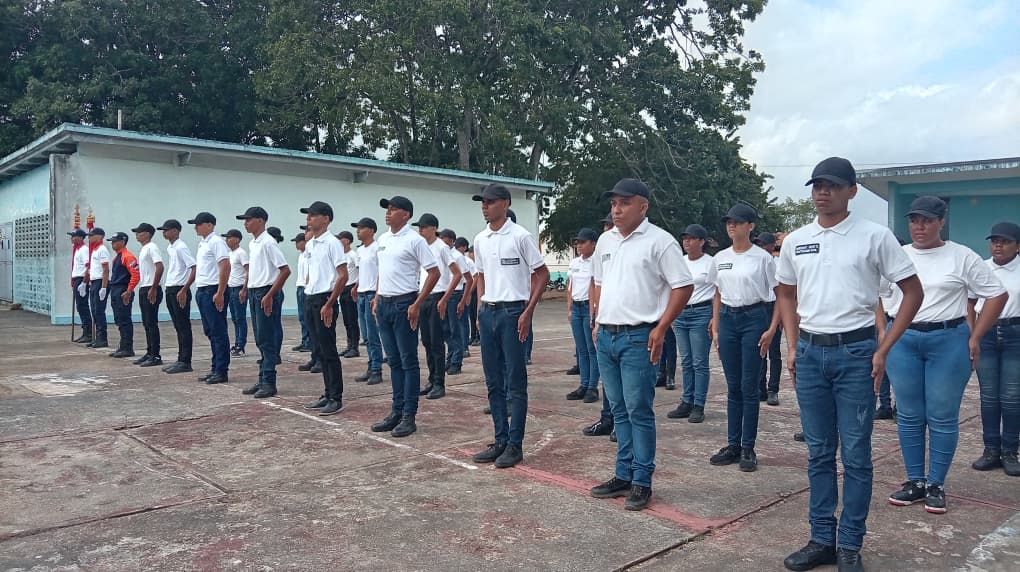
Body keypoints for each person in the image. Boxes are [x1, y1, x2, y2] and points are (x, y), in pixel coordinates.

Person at [777, 157, 923, 572]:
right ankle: (821, 538)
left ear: (851, 191)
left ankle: (850, 545)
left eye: (832, 186)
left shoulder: (874, 237)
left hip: (857, 354)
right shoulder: (796, 240)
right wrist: (791, 344)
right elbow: (785, 293)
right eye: (817, 185)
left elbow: (912, 293)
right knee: (819, 452)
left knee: (856, 454)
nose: (822, 192)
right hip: (809, 353)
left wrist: (884, 347)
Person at [883, 196, 1007, 515]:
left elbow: (996, 294)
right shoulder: (898, 256)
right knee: (909, 414)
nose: (919, 226)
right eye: (914, 220)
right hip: (904, 339)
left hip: (948, 339)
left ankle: (936, 483)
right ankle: (915, 481)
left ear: (941, 221)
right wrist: (882, 336)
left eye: (926, 220)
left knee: (941, 414)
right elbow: (878, 297)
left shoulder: (960, 256)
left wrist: (976, 335)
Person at [588, 178, 693, 511]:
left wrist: (662, 327)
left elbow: (683, 286)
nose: (616, 209)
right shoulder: (605, 241)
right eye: (614, 203)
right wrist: (597, 320)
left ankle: (642, 479)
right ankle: (623, 472)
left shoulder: (660, 242)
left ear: (643, 206)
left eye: (624, 203)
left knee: (639, 409)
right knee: (617, 409)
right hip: (606, 335)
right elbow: (600, 283)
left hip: (639, 337)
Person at [471, 184, 549, 468]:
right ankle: (500, 439)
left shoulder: (520, 236)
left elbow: (542, 273)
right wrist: (480, 305)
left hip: (513, 312)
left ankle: (515, 444)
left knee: (516, 382)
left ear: (505, 204)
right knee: (493, 382)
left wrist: (528, 311)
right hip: (489, 312)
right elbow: (480, 274)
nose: (485, 206)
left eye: (490, 202)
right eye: (482, 202)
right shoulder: (480, 239)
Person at [708, 202, 779, 473]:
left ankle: (748, 446)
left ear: (750, 226)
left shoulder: (763, 259)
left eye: (737, 222)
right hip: (727, 319)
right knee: (733, 385)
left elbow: (778, 294)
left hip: (754, 318)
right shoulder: (720, 257)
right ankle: (733, 444)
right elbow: (716, 292)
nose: (731, 225)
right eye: (729, 221)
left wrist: (771, 329)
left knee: (749, 386)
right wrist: (715, 324)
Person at [370, 196, 439, 437]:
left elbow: (434, 272)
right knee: (394, 361)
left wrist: (417, 303)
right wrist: (377, 297)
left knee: (408, 361)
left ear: (406, 215)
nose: (388, 213)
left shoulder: (415, 241)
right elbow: (382, 271)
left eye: (393, 209)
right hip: (385, 304)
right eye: (387, 209)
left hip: (404, 304)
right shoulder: (383, 239)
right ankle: (396, 411)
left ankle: (409, 415)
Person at [971, 221, 1020, 476]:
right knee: (989, 396)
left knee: (1011, 397)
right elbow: (969, 302)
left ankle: (1010, 451)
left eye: (1005, 241)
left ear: (1017, 246)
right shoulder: (982, 268)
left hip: (1015, 334)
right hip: (986, 333)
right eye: (994, 241)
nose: (998, 245)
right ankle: (991, 449)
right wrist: (973, 334)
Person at [299, 201, 349, 416]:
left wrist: (330, 302)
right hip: (311, 298)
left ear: (326, 218)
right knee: (318, 349)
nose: (308, 218)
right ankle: (327, 393)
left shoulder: (332, 243)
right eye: (308, 215)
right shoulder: (310, 244)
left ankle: (335, 397)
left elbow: (343, 275)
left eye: (313, 215)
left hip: (324, 299)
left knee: (329, 350)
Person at [236, 206, 291, 398]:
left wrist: (269, 295)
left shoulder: (268, 242)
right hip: (254, 291)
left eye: (249, 219)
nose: (245, 223)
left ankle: (269, 381)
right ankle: (262, 379)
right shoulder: (254, 243)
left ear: (260, 220)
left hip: (265, 292)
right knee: (260, 338)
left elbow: (285, 270)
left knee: (267, 339)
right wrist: (247, 288)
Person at [667, 224, 717, 423]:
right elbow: (672, 287)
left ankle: (699, 404)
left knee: (699, 362)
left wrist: (715, 317)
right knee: (686, 360)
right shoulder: (680, 262)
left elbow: (718, 291)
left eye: (691, 238)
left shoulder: (710, 263)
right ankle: (686, 401)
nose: (686, 242)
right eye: (684, 238)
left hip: (701, 313)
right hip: (681, 314)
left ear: (702, 241)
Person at [415, 214, 462, 400]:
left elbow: (457, 274)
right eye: (419, 227)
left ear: (433, 228)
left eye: (424, 227)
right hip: (424, 297)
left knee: (436, 342)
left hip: (437, 297)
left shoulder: (441, 247)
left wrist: (445, 299)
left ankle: (439, 383)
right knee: (426, 341)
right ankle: (431, 379)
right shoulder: (422, 247)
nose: (420, 230)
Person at [582, 212, 618, 440]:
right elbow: (597, 284)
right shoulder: (603, 250)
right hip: (605, 321)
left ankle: (620, 423)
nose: (607, 229)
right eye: (605, 225)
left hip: (628, 324)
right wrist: (595, 317)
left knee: (626, 385)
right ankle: (607, 419)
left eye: (610, 225)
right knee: (609, 378)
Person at [188, 211, 232, 384]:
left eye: (198, 224)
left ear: (209, 225)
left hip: (213, 290)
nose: (195, 227)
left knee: (218, 331)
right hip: (203, 290)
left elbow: (225, 266)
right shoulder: (202, 243)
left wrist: (220, 292)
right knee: (210, 331)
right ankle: (215, 367)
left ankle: (221, 370)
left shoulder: (216, 242)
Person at [565, 227, 600, 403]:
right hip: (577, 309)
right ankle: (584, 384)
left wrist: (595, 312)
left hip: (589, 308)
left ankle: (592, 386)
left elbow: (596, 286)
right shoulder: (575, 263)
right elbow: (570, 286)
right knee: (581, 350)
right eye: (577, 242)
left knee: (591, 349)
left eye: (583, 242)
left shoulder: (596, 262)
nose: (579, 245)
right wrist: (569, 307)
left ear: (593, 244)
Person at [157, 219, 196, 374]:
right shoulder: (171, 247)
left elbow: (193, 268)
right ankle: (180, 359)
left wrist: (184, 289)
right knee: (178, 326)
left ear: (175, 231)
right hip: (171, 288)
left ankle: (185, 361)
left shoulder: (181, 247)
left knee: (183, 326)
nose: (164, 233)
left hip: (179, 289)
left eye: (166, 230)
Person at [351, 217, 384, 385]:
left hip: (372, 294)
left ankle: (377, 369)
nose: (358, 231)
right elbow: (363, 271)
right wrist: (356, 285)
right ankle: (371, 366)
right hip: (362, 294)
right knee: (366, 335)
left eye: (361, 228)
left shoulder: (377, 248)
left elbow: (381, 273)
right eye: (357, 228)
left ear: (371, 230)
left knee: (373, 335)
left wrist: (377, 295)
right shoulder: (361, 250)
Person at [755, 231, 784, 406]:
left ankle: (773, 389)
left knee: (774, 352)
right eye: (758, 244)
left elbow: (783, 294)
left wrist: (780, 316)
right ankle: (761, 388)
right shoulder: (755, 263)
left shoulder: (779, 264)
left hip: (774, 307)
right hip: (759, 307)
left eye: (763, 244)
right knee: (760, 350)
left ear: (771, 246)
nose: (760, 248)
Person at [131, 223, 164, 367]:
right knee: (146, 323)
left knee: (151, 323)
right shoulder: (144, 248)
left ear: (147, 234)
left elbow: (160, 266)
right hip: (144, 287)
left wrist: (154, 287)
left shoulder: (152, 247)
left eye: (139, 232)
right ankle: (149, 351)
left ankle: (155, 355)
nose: (136, 235)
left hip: (151, 288)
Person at [441, 229, 473, 374]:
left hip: (455, 295)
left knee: (456, 330)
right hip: (444, 295)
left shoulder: (457, 256)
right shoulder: (442, 254)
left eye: (444, 238)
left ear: (452, 240)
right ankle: (450, 357)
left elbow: (469, 278)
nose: (441, 240)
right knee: (446, 330)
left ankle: (457, 361)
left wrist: (464, 299)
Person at [106, 232, 140, 358]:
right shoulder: (117, 257)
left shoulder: (128, 256)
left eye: (115, 241)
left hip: (123, 290)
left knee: (125, 319)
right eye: (112, 241)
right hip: (115, 289)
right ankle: (123, 345)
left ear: (123, 241)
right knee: (119, 319)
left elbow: (136, 274)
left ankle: (128, 347)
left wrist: (129, 290)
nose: (112, 243)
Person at [292, 229, 318, 373]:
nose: (296, 244)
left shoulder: (314, 249)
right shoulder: (304, 253)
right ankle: (310, 349)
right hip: (302, 287)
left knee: (315, 325)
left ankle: (317, 356)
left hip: (310, 290)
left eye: (308, 231)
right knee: (305, 320)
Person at [222, 228, 249, 357]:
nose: (227, 240)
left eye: (229, 237)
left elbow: (248, 271)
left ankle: (240, 344)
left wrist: (244, 289)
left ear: (237, 239)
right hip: (230, 288)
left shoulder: (241, 253)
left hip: (239, 288)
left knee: (240, 317)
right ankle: (237, 342)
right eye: (226, 238)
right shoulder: (230, 254)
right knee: (234, 318)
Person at [336, 230, 362, 358]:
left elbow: (361, 270)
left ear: (346, 240)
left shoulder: (353, 255)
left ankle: (355, 347)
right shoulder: (341, 255)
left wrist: (357, 286)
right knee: (346, 320)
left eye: (340, 239)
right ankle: (349, 345)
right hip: (343, 289)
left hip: (351, 288)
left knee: (352, 320)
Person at [85, 227, 111, 349]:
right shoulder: (94, 250)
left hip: (101, 282)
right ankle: (97, 337)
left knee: (99, 311)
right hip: (94, 282)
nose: (89, 237)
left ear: (100, 236)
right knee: (94, 310)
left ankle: (102, 338)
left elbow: (105, 269)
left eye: (91, 235)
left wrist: (104, 287)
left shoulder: (102, 249)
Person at [69, 228, 93, 344]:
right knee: (80, 306)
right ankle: (85, 331)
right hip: (77, 278)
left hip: (82, 278)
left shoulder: (84, 250)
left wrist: (84, 282)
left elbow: (88, 267)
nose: (71, 238)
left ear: (80, 237)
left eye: (73, 236)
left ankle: (88, 332)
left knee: (82, 306)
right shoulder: (77, 249)